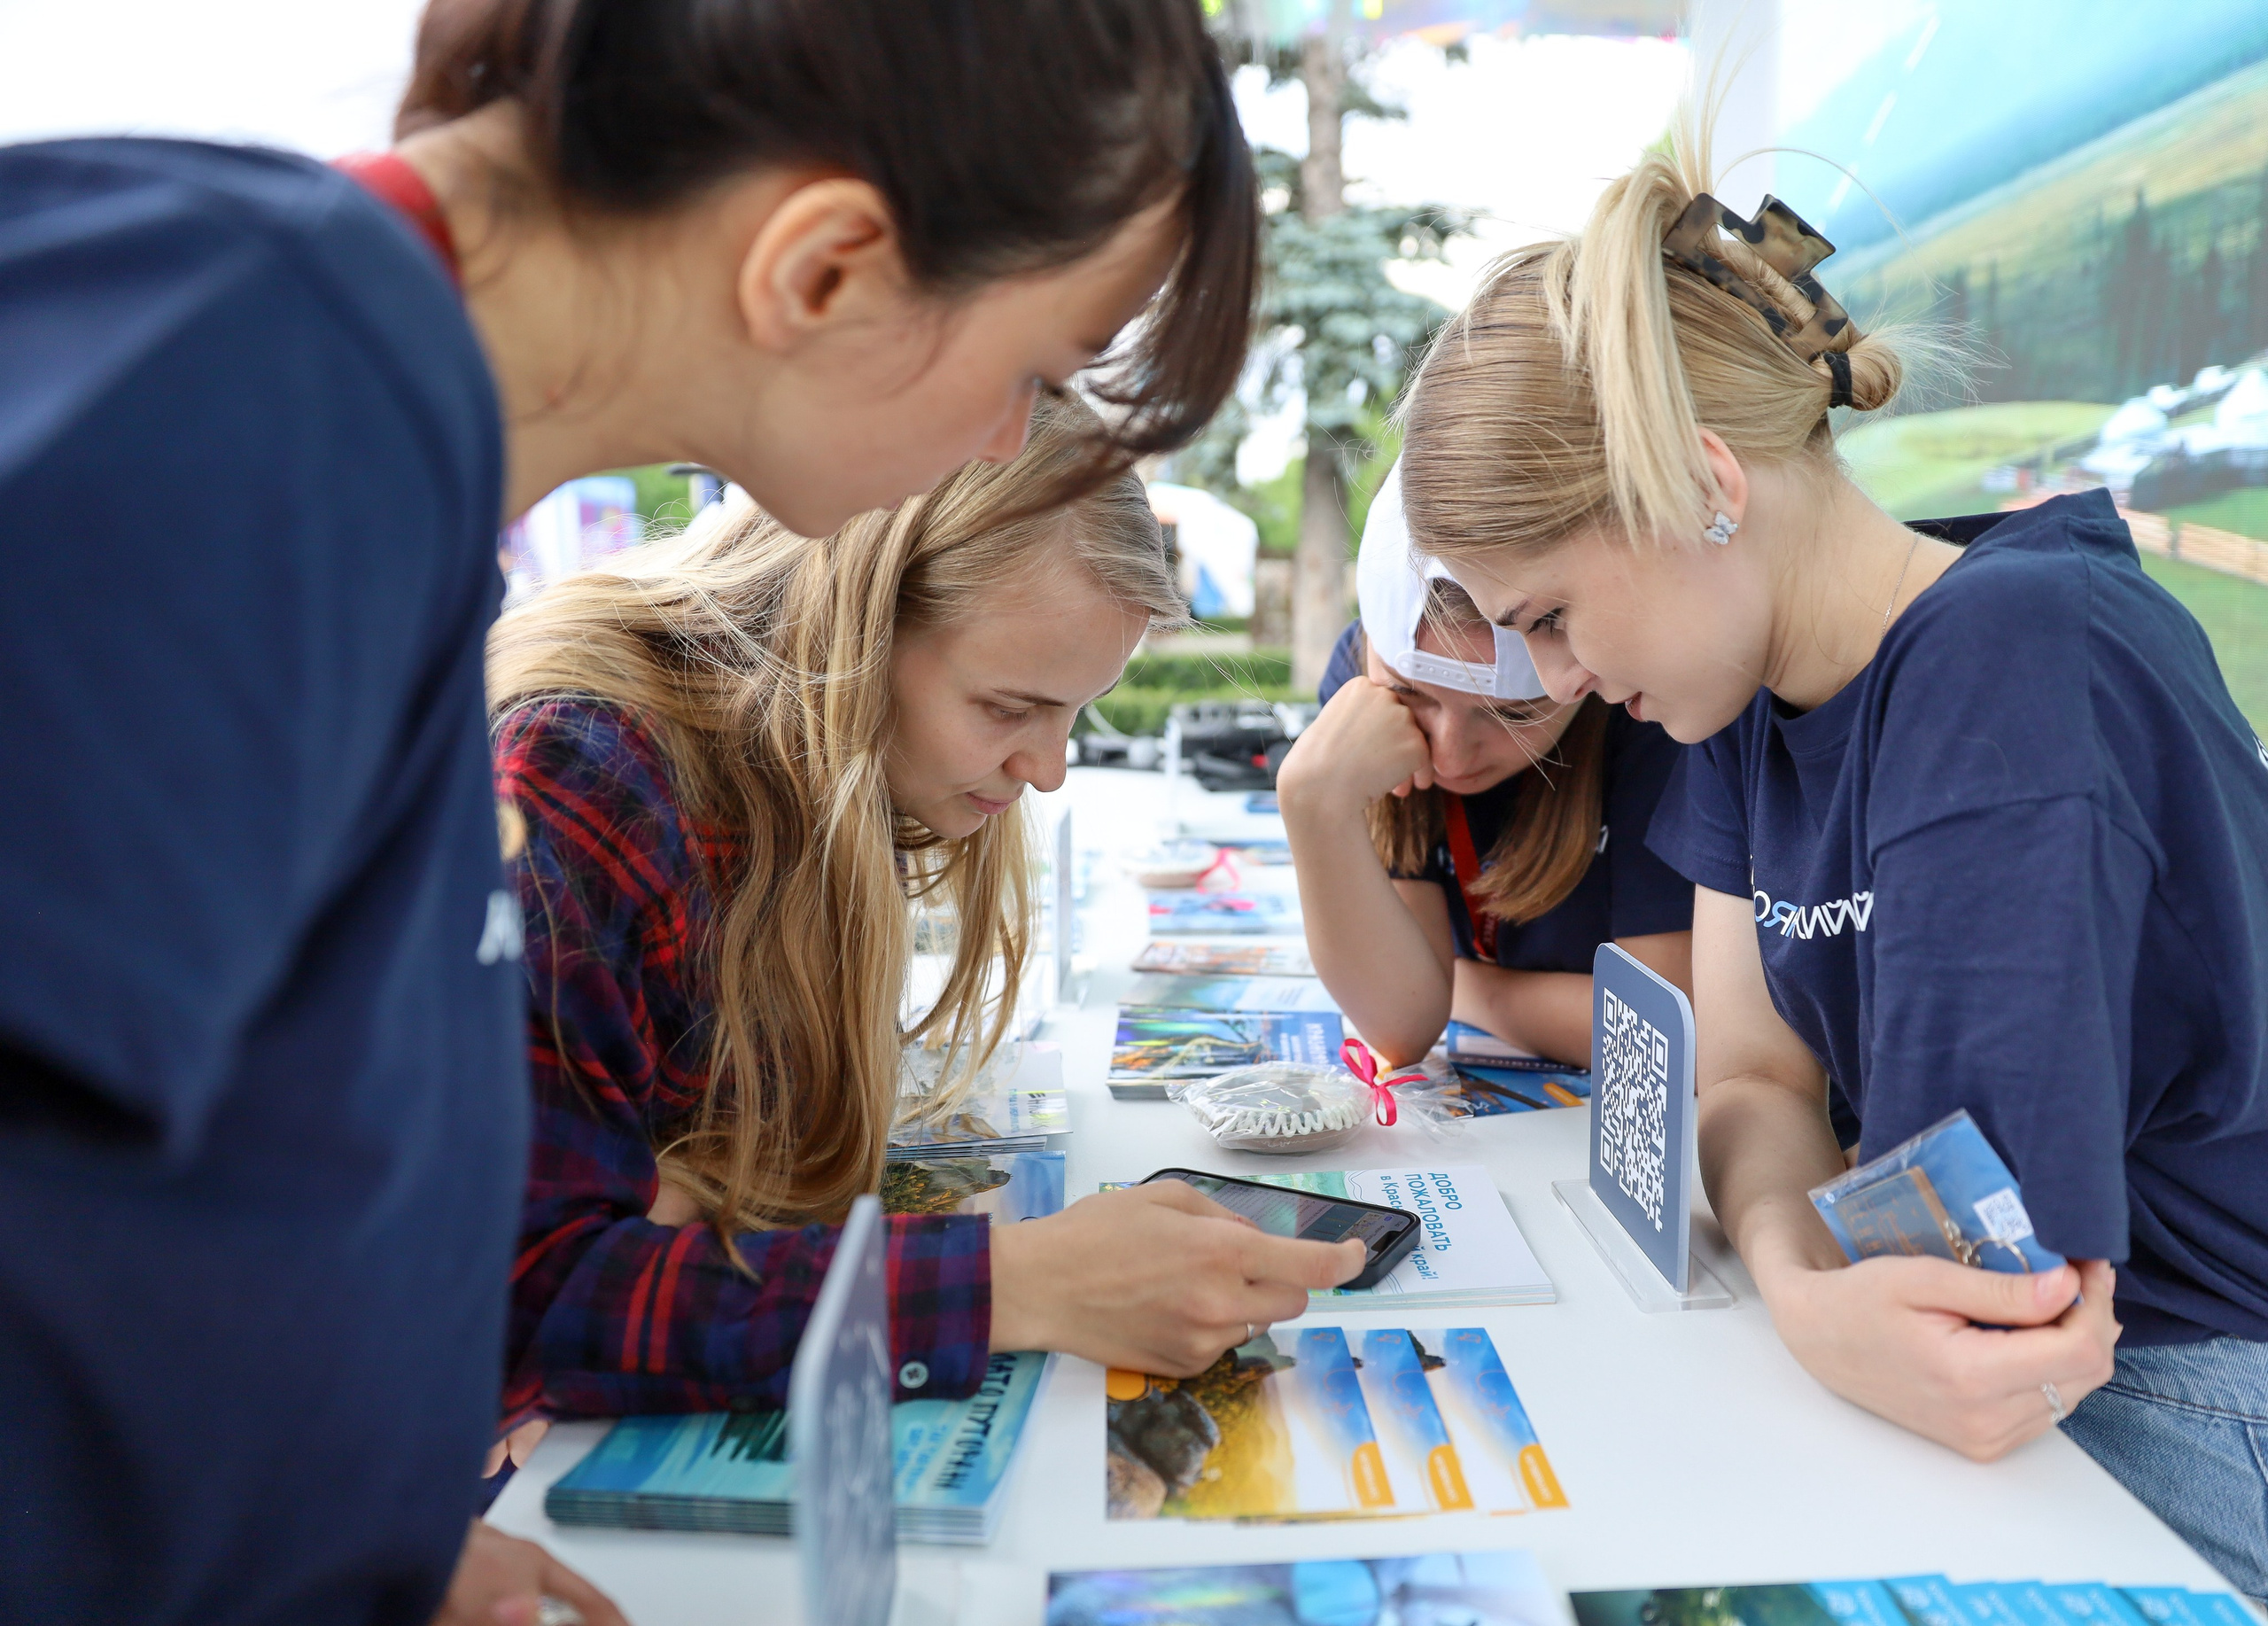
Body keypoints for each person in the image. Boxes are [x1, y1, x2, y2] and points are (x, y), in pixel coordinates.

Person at [0, 0, 1257, 1620]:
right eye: (1036, 372)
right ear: (824, 269)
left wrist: (353, 1517)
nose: (1019, 440)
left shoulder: (363, 434)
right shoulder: (230, 412)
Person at [1394, 118, 2268, 1595]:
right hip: (2000, 1349)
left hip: (2175, 1379)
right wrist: (1802, 1281)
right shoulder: (1755, 694)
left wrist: (1810, 1273)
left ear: (1699, 483)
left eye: (1547, 615)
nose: (1552, 676)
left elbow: (1981, 1289)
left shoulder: (2008, 668)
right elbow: (1749, 1079)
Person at [487, 396, 1363, 1438]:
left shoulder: (813, 774)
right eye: (1007, 707)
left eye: (1075, 710)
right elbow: (516, 1299)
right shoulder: (577, 779)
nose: (1047, 770)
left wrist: (696, 1213)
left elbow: (708, 1197)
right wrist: (1015, 1284)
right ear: (851, 626)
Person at [1277, 468, 1692, 1070]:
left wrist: (1466, 988)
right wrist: (1313, 805)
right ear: (1369, 647)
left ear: (1585, 675)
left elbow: (1659, 1037)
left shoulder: (1648, 711)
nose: (1450, 754)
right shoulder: (1357, 686)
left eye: (1512, 713)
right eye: (1412, 696)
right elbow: (1401, 1025)